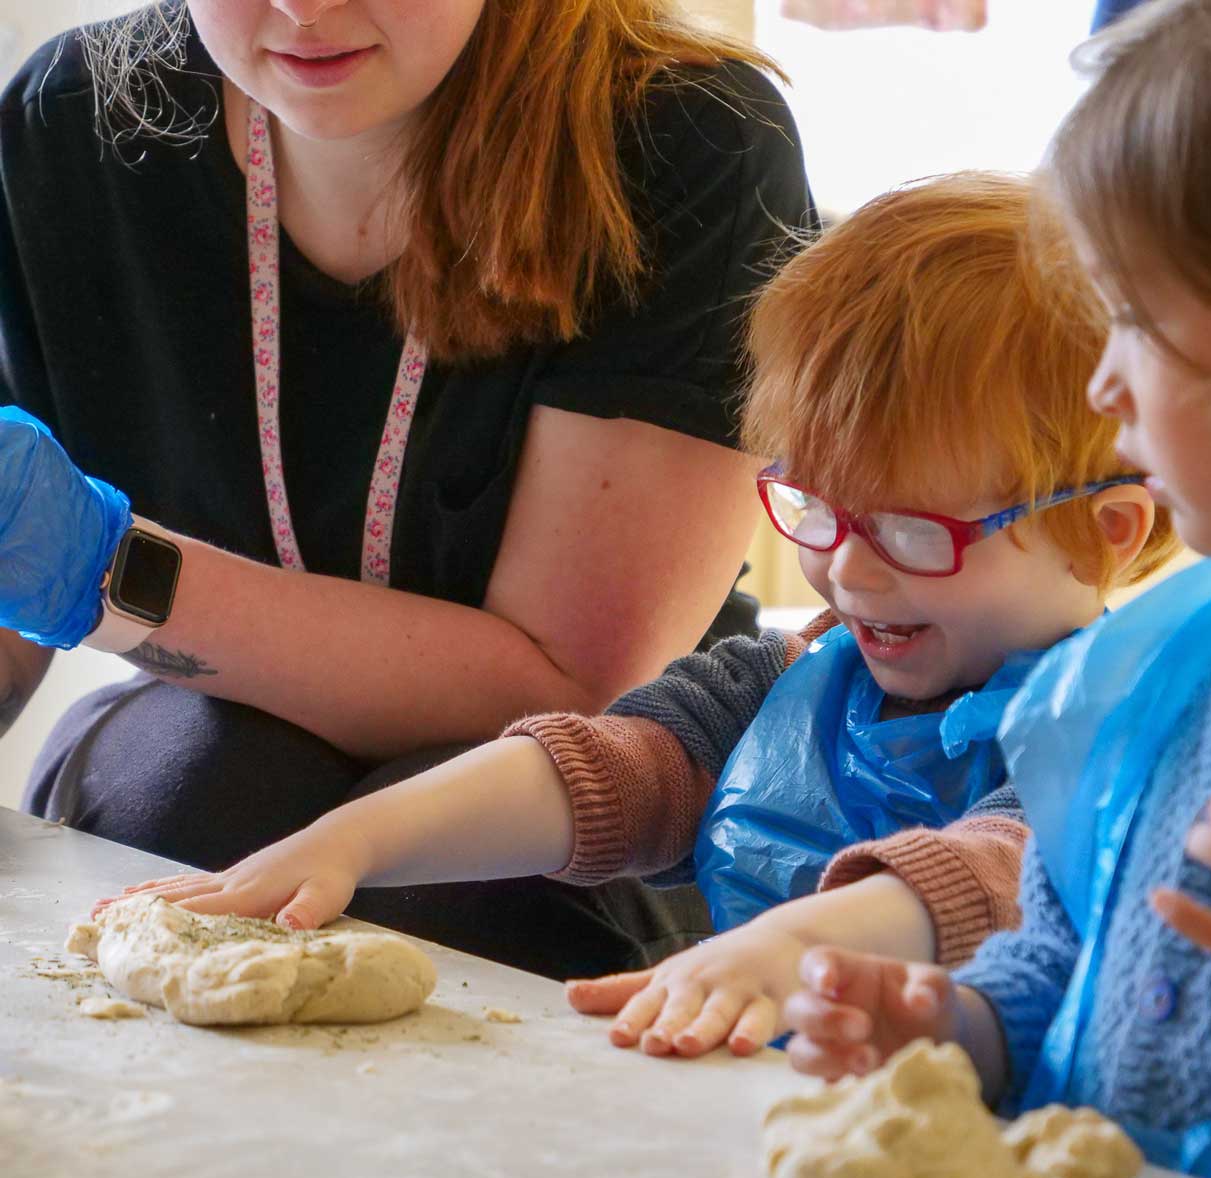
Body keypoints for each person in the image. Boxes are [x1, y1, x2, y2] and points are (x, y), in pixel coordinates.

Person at [104, 172, 1176, 1058]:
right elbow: (606, 767)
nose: (845, 567)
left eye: (911, 532)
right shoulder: (795, 677)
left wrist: (786, 950)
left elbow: (996, 870)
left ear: (1109, 529)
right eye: (812, 505)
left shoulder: (1125, 732)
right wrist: (346, 844)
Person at [0, 1, 813, 979]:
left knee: (464, 884)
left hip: (592, 761)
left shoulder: (688, 134)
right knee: (185, 795)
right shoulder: (70, 116)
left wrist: (111, 573)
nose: (306, 10)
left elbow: (576, 688)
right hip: (220, 738)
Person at [781, 0, 1211, 1178]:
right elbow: (1059, 956)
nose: (1103, 380)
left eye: (1133, 322)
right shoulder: (1152, 676)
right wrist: (949, 1025)